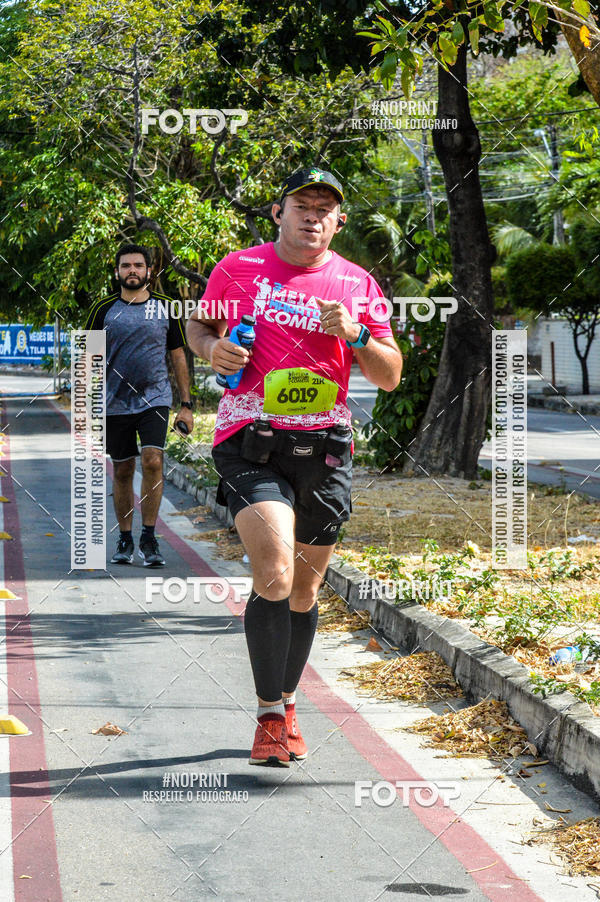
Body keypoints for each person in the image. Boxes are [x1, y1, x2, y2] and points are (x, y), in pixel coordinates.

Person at [187, 168, 402, 766]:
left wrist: (356, 333)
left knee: (306, 589)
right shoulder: (238, 269)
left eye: (325, 209)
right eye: (301, 205)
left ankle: (288, 698)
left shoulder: (357, 283)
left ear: (338, 222)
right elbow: (198, 325)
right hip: (251, 442)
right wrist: (211, 349)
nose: (313, 216)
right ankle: (267, 715)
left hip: (325, 448)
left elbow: (388, 375)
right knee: (276, 570)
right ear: (278, 212)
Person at [85, 244, 193, 567]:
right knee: (122, 468)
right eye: (126, 266)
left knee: (152, 460)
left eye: (138, 265)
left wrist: (186, 403)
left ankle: (149, 537)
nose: (132, 270)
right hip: (114, 402)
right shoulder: (102, 310)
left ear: (149, 271)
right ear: (117, 272)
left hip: (155, 398)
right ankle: (124, 536)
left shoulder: (165, 308)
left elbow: (178, 355)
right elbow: (88, 358)